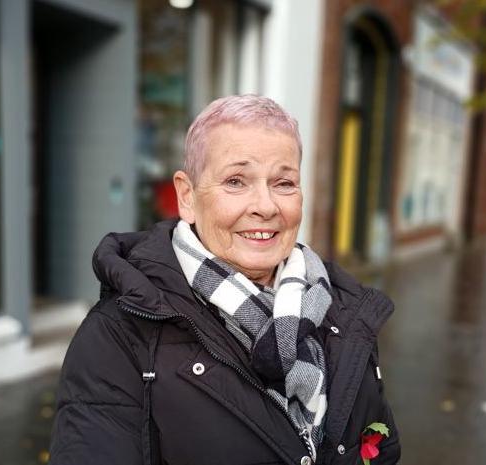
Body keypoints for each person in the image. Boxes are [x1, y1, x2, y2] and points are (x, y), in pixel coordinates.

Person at [49, 95, 401, 465]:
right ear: (187, 196)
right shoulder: (118, 338)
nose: (265, 206)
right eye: (236, 181)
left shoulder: (345, 312)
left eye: (284, 183)